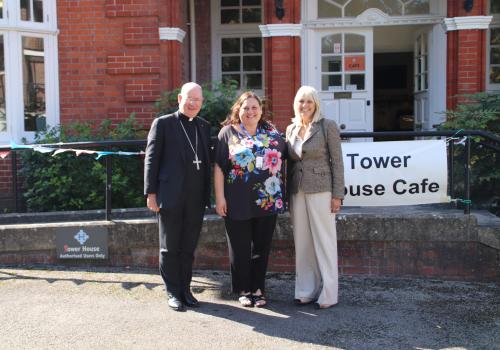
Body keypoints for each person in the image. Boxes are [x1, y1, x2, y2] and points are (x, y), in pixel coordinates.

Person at [214, 91, 286, 308]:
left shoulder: (272, 133)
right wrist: (219, 198)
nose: (250, 111)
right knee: (240, 247)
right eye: (246, 108)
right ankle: (244, 289)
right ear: (238, 110)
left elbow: (288, 156)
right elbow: (218, 167)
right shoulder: (227, 133)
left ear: (261, 111)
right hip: (236, 200)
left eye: (255, 107)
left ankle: (258, 289)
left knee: (261, 248)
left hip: (267, 199)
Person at [144, 82, 211, 312]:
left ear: (202, 103)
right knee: (169, 247)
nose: (193, 103)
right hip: (169, 195)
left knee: (188, 247)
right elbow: (151, 160)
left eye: (197, 100)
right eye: (189, 98)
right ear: (180, 98)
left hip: (195, 197)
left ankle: (185, 289)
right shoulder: (162, 124)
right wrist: (150, 193)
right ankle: (172, 292)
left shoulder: (203, 126)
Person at [286, 85, 345, 310]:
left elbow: (337, 163)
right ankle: (305, 290)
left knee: (325, 241)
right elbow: (290, 162)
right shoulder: (291, 129)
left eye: (309, 101)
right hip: (297, 190)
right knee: (302, 242)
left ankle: (329, 293)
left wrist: (338, 195)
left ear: (316, 104)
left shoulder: (327, 126)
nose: (305, 106)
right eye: (301, 101)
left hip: (322, 189)